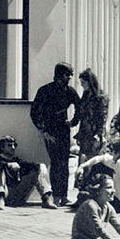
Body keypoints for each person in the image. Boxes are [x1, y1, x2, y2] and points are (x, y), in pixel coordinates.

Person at [29, 63, 81, 206]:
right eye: (67, 74)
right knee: (56, 162)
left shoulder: (70, 91)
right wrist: (43, 131)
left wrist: (73, 122)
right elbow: (34, 111)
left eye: (71, 74)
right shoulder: (45, 90)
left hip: (64, 130)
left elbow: (79, 106)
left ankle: (63, 195)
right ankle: (56, 195)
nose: (70, 77)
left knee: (64, 163)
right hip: (50, 131)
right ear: (59, 74)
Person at [0, 136, 56, 209]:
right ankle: (0, 200)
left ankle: (46, 199)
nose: (13, 148)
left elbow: (28, 165)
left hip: (15, 194)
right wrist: (7, 165)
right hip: (0, 193)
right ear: (2, 147)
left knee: (35, 171)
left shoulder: (16, 160)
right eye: (9, 145)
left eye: (14, 145)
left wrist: (40, 166)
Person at [71, 67, 109, 161]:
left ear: (90, 82)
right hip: (85, 133)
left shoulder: (101, 97)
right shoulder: (86, 95)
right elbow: (80, 111)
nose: (82, 85)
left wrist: (99, 135)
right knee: (83, 160)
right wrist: (73, 122)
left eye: (83, 83)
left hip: (94, 133)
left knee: (93, 160)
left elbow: (103, 118)